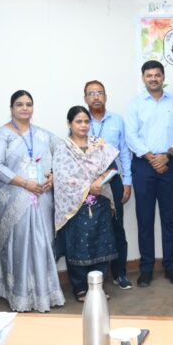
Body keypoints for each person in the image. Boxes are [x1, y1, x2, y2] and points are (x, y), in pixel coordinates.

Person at [0, 90, 64, 312]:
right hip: (14, 197)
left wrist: (52, 175)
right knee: (19, 244)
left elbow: (61, 156)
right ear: (11, 108)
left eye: (28, 104)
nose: (24, 108)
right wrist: (24, 183)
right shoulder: (1, 135)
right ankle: (19, 293)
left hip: (42, 195)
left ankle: (44, 292)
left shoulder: (43, 134)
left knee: (43, 241)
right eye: (19, 104)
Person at [125, 61, 173, 287]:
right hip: (143, 166)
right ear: (143, 78)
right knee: (145, 219)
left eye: (157, 75)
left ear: (163, 77)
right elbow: (131, 136)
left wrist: (167, 156)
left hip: (169, 165)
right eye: (149, 75)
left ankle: (171, 267)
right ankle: (146, 269)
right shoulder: (135, 104)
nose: (153, 79)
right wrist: (152, 157)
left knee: (169, 219)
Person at [54, 106, 119, 302]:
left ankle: (98, 286)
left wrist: (99, 181)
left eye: (86, 121)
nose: (83, 125)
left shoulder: (98, 144)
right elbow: (62, 177)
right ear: (69, 124)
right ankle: (80, 287)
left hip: (100, 201)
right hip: (75, 204)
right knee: (78, 245)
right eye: (78, 121)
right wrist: (88, 187)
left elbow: (112, 168)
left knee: (101, 243)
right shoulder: (63, 147)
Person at [83, 80, 133, 290]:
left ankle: (120, 273)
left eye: (99, 93)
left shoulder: (117, 120)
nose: (96, 97)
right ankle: (94, 276)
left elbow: (125, 152)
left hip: (113, 180)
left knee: (117, 226)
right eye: (91, 93)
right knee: (92, 227)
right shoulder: (81, 120)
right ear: (85, 98)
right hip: (89, 182)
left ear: (105, 96)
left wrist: (127, 181)